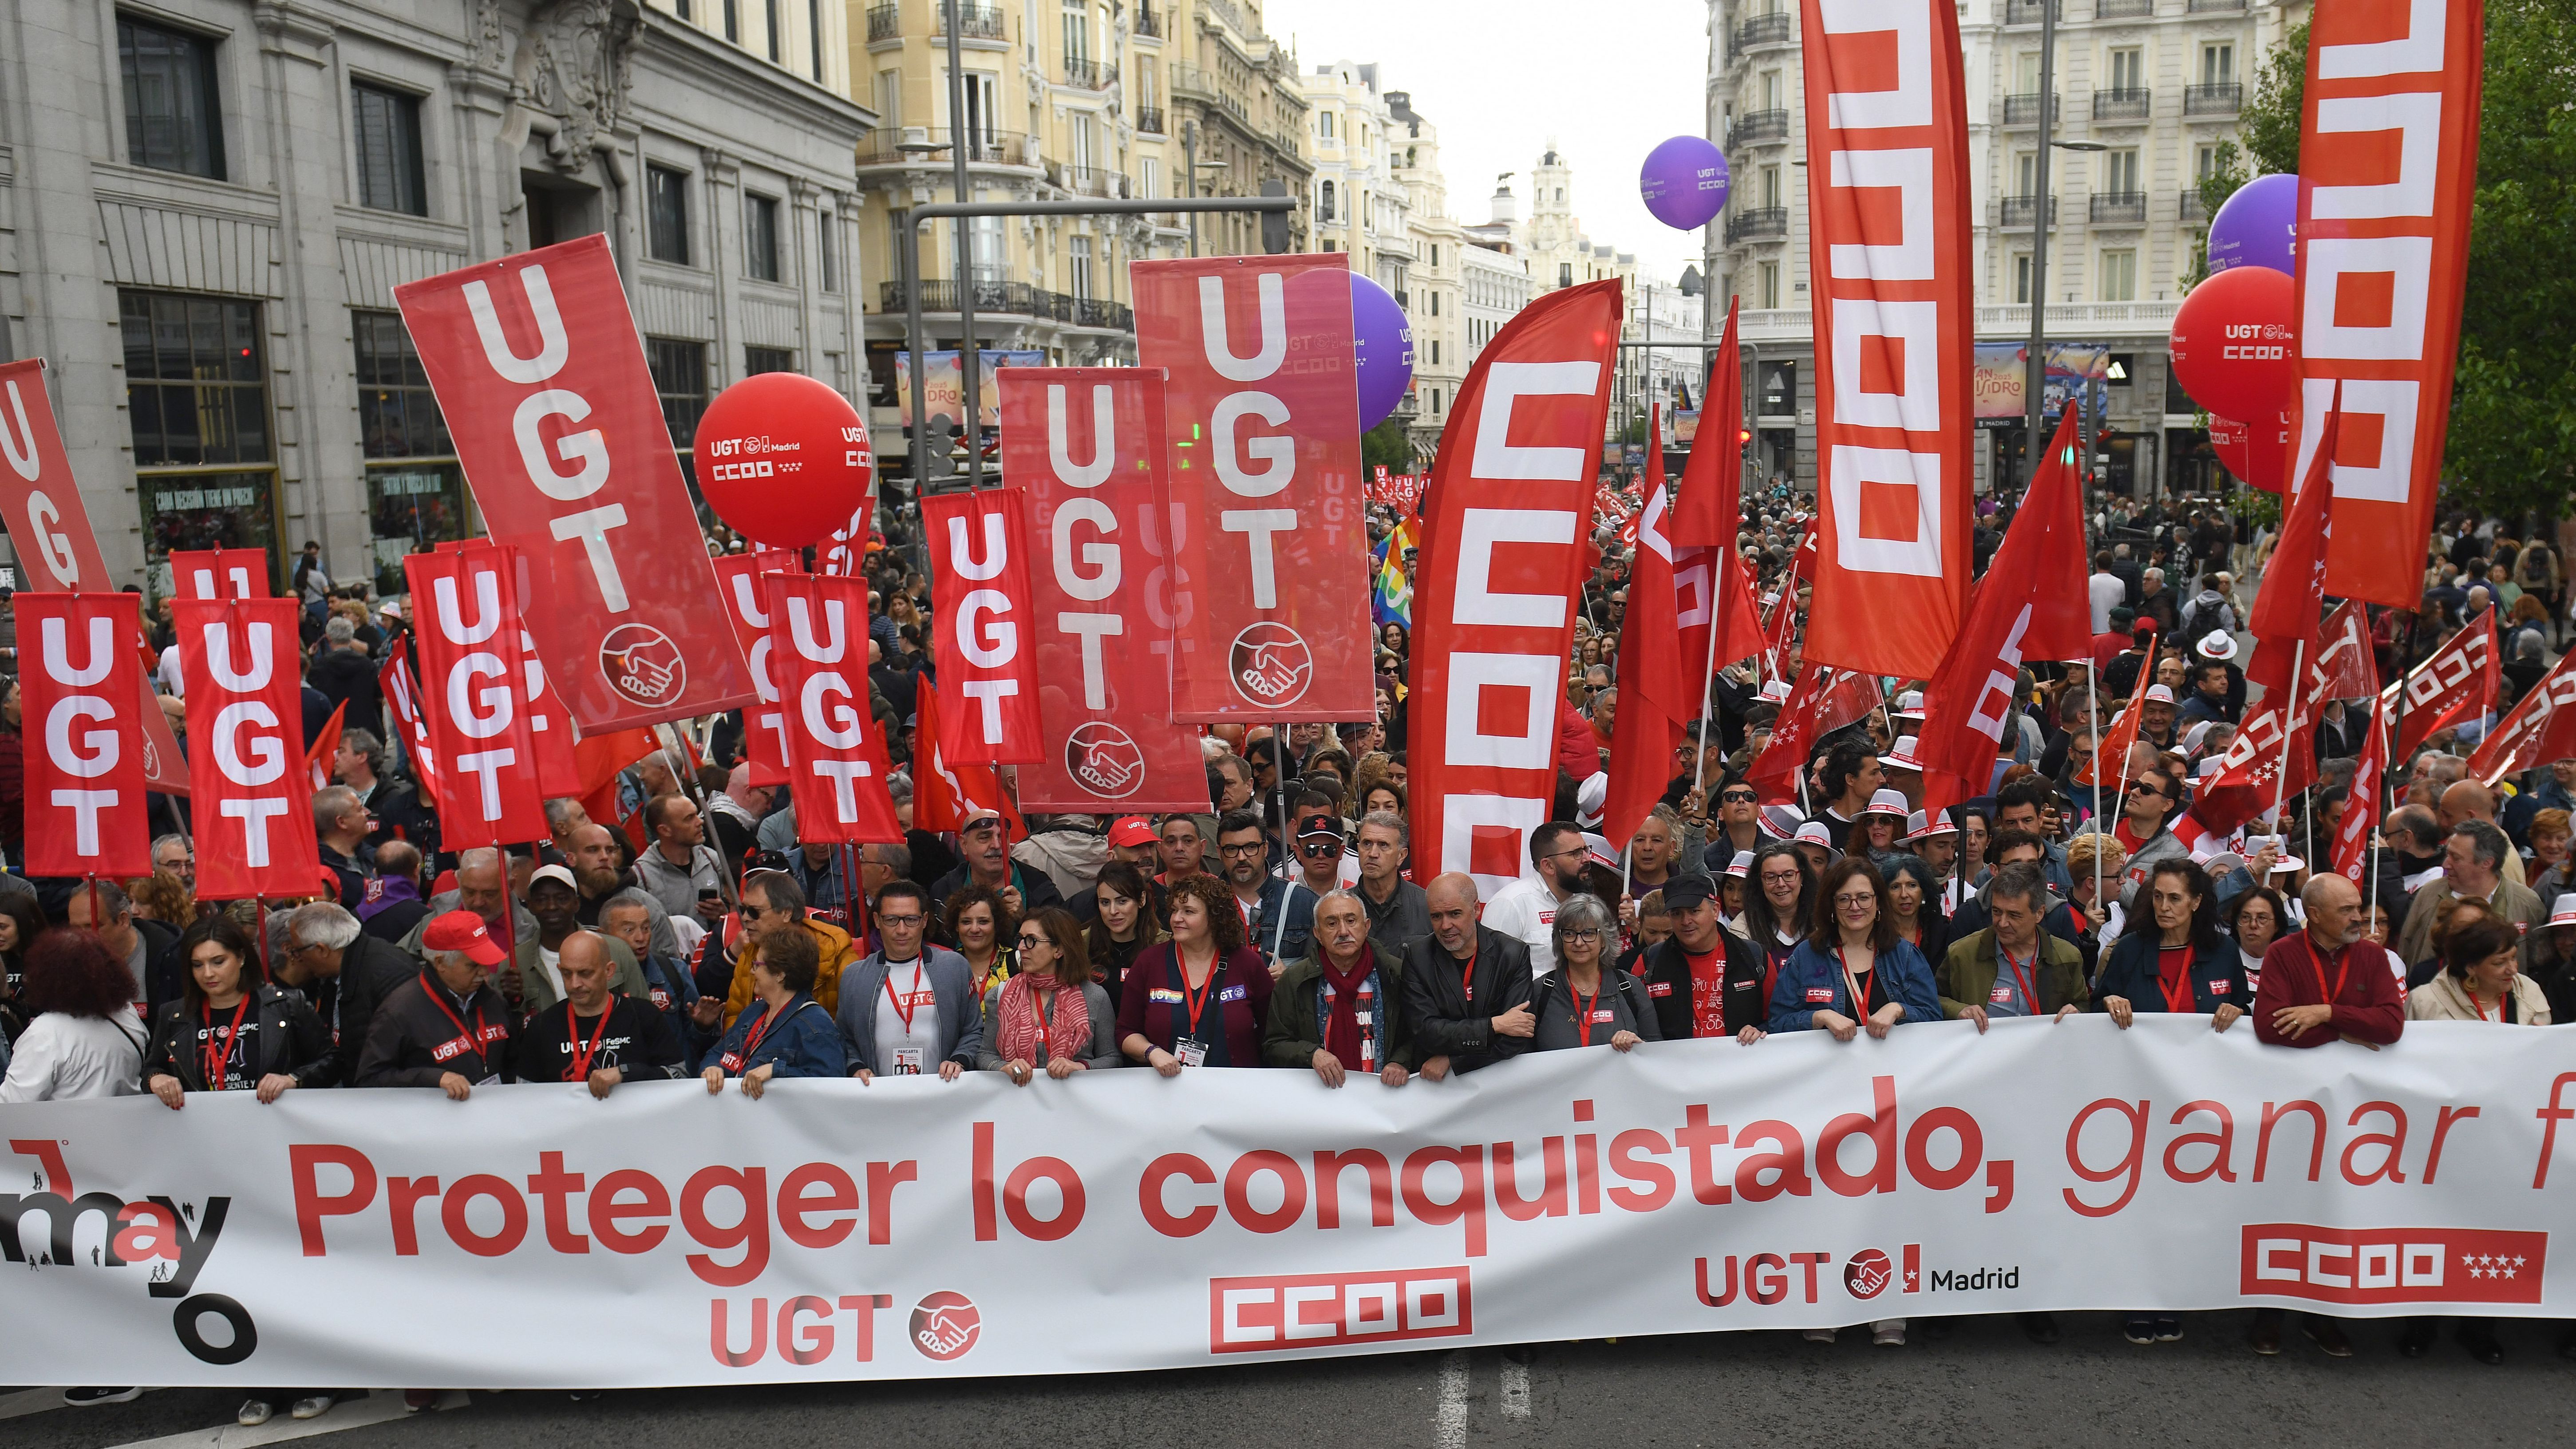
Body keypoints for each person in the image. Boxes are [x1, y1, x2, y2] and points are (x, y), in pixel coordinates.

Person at [1768, 859, 1940, 1347]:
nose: (1854, 907)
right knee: (1826, 1204)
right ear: (1830, 906)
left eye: (1863, 897)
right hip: (1828, 1106)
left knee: (1885, 1205)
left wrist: (1897, 1007)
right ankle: (1824, 1304)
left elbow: (1933, 1016)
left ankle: (1886, 1309)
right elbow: (1776, 1021)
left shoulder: (1903, 956)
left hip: (1892, 1106)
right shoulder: (1808, 956)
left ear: (1878, 903)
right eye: (1843, 899)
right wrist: (1817, 1015)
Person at [2245, 874, 2405, 1358]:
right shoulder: (2282, 953)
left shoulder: (2373, 956)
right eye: (2345, 910)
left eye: (2357, 907)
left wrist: (2323, 1014)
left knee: (2337, 1212)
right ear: (2313, 915)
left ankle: (2323, 1316)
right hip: (2294, 1107)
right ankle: (2268, 1313)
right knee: (2284, 1209)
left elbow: (2391, 1025)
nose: (2357, 917)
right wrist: (2343, 1031)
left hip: (2355, 1116)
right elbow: (2270, 1026)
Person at [1118, 873, 1274, 1071]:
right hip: (1166, 1089)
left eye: (1189, 912)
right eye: (1174, 910)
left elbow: (1273, 1033)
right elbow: (1125, 1032)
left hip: (1236, 1091)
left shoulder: (1247, 963)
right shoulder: (1149, 962)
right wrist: (1152, 1052)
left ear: (1215, 917)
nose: (1176, 919)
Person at [355, 911, 516, 1097]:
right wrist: (433, 1079)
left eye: (485, 963)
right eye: (473, 965)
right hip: (433, 1122)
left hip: (493, 1116)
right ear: (440, 963)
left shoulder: (493, 1000)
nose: (484, 973)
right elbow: (369, 1080)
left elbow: (513, 1062)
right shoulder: (399, 1012)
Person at [1264, 888, 1414, 1086]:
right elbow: (1273, 1046)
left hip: (1384, 1096)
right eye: (1332, 924)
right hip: (1322, 1100)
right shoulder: (1295, 981)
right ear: (1317, 933)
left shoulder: (1396, 974)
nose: (1343, 932)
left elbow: (1420, 1033)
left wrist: (1402, 1062)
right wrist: (1312, 1055)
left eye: (1351, 921)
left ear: (1366, 926)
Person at [512, 930, 687, 1095]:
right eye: (566, 974)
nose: (575, 984)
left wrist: (626, 1073)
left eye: (585, 973)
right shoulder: (543, 1026)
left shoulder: (643, 1015)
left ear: (609, 971)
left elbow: (679, 1075)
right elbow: (526, 1095)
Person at [1400, 872, 1537, 1078]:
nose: (1445, 926)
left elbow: (1516, 1038)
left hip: (1500, 1082)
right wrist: (1495, 1025)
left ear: (1476, 909)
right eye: (1436, 916)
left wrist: (1453, 1060)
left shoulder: (1511, 954)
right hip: (1439, 1090)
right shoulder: (1417, 957)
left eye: (1455, 914)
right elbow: (1425, 1032)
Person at [842, 881, 980, 1081]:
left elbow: (974, 1030)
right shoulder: (855, 976)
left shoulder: (954, 968)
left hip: (943, 1093)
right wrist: (856, 1067)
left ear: (924, 920)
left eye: (911, 920)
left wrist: (960, 1061)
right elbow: (845, 1038)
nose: (901, 930)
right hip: (878, 1096)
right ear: (877, 921)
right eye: (891, 920)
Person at [2, 929, 147, 1104]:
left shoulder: (45, 1033)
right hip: (125, 1126)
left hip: (64, 1129)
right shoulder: (128, 1013)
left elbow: (13, 1104)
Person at [702, 926, 846, 1093]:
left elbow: (831, 1086)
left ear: (780, 974)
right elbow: (716, 1053)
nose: (752, 971)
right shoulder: (752, 1013)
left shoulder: (816, 1026)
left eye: (757, 964)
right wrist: (712, 1068)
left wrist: (777, 1071)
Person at [1628, 874, 1769, 1044]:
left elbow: (1778, 1018)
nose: (1686, 921)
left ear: (1715, 911)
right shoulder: (1650, 962)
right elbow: (1633, 1023)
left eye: (1694, 911)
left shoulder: (1754, 956)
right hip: (1675, 1067)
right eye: (1677, 913)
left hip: (1740, 1064)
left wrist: (1761, 1030)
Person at [984, 908, 1120, 1081]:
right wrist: (1003, 1066)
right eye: (1021, 939)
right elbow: (985, 1055)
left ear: (1059, 950)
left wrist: (1080, 1067)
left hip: (1074, 1103)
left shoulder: (1094, 997)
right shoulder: (1001, 994)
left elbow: (1112, 1059)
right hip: (1018, 1101)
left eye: (1031, 940)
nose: (1021, 947)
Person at [2393, 821, 2548, 967]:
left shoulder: (2526, 903)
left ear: (2487, 863)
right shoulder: (2428, 894)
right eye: (2448, 855)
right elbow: (2406, 951)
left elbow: (2538, 963)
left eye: (2456, 858)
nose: (2446, 864)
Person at [598, 890, 718, 1072]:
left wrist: (703, 1026)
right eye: (629, 930)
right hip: (619, 1085)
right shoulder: (595, 979)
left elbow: (698, 1043)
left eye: (646, 928)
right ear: (604, 935)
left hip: (670, 1084)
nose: (641, 938)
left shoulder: (674, 971)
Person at [720, 871, 861, 1022]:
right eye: (744, 910)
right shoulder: (749, 952)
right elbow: (734, 1016)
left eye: (755, 912)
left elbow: (854, 1023)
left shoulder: (835, 953)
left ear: (787, 913)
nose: (745, 918)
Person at [1529, 893, 1659, 1052]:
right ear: (1560, 939)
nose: (1578, 942)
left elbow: (1656, 1052)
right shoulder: (1541, 991)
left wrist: (1638, 1045)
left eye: (1588, 933)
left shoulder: (1630, 988)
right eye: (1569, 934)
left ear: (1604, 939)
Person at [1481, 821, 1591, 977]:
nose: (1587, 859)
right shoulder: (1511, 903)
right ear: (1549, 866)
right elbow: (1492, 970)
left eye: (1586, 850)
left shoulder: (1586, 901)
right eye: (1576, 853)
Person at [65, 878, 184, 1017]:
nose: (83, 937)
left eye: (92, 927)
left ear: (123, 920)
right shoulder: (68, 962)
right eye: (75, 928)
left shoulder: (172, 957)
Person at [930, 807, 1063, 918]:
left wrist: (1025, 919)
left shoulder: (1038, 887)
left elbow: (1060, 938)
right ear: (964, 845)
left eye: (1002, 837)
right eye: (985, 838)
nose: (996, 845)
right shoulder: (944, 890)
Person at [634, 793, 728, 925]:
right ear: (665, 830)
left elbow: (733, 907)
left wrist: (723, 914)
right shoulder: (643, 875)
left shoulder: (710, 858)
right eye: (689, 818)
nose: (700, 821)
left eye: (696, 814)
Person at [1084, 862, 1165, 1015]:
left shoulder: (1163, 946)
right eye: (1105, 902)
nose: (1113, 911)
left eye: (1122, 901)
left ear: (1142, 900)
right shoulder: (1082, 944)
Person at [1353, 810, 1431, 959]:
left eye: (1383, 845)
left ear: (1401, 856)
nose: (1372, 853)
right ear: (1358, 849)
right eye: (1367, 844)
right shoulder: (1340, 907)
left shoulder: (1427, 906)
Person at [944, 884, 1017, 996]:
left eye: (983, 922)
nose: (975, 929)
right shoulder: (947, 966)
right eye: (966, 922)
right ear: (956, 926)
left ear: (997, 924)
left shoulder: (1018, 962)